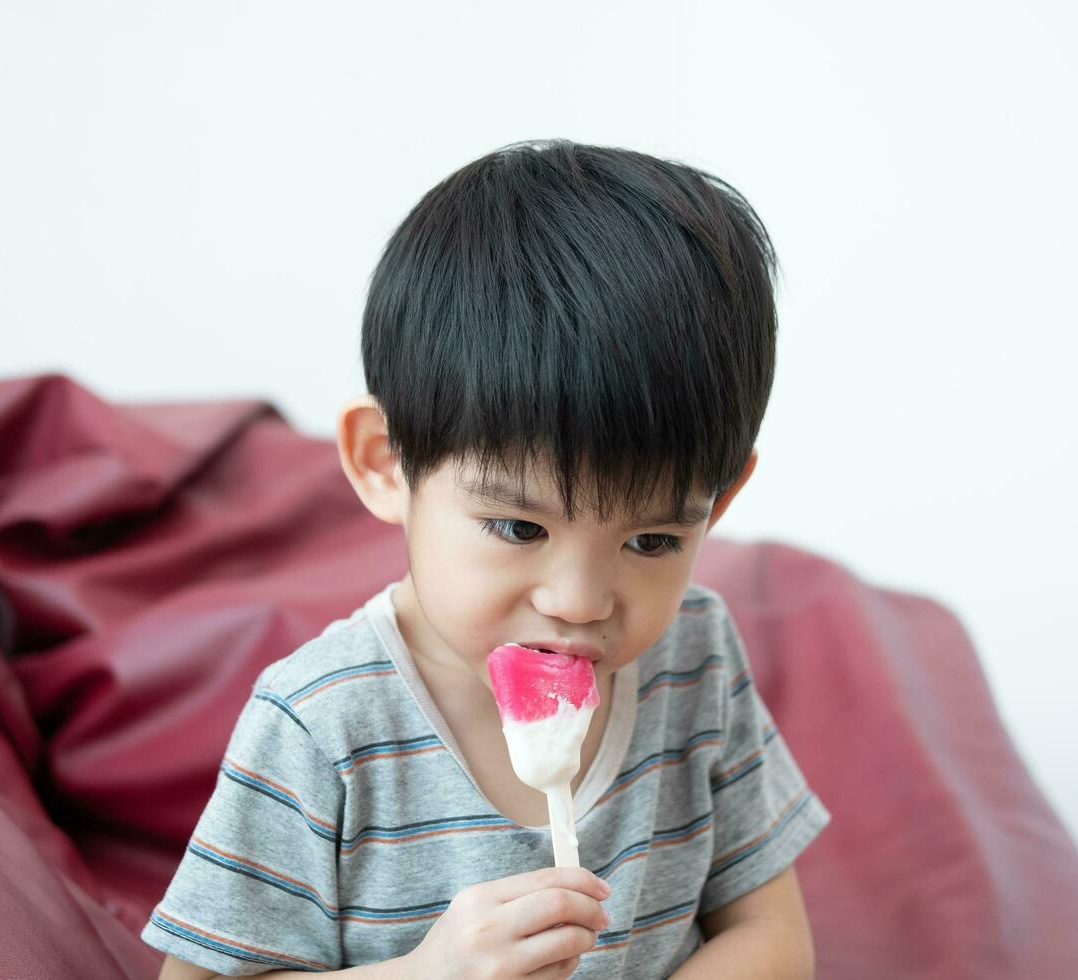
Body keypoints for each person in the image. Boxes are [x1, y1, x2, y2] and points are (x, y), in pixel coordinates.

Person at [143, 139, 830, 979]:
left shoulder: (696, 656)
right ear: (384, 463)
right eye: (517, 528)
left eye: (650, 541)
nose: (579, 602)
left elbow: (772, 935)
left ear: (720, 502)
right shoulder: (321, 725)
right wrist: (423, 974)